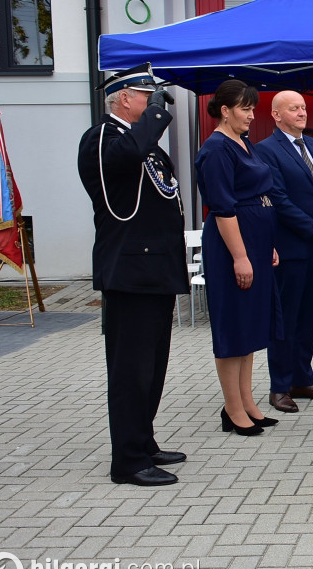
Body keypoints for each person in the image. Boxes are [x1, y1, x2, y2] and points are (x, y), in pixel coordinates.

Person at [77, 63, 189, 486]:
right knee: (131, 370)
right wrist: (158, 118)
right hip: (129, 270)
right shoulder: (102, 137)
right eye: (148, 96)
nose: (155, 103)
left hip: (154, 269)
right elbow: (124, 161)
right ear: (124, 98)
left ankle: (143, 440)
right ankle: (127, 460)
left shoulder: (140, 141)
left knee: (153, 365)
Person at [195, 80, 282, 436]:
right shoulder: (215, 149)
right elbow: (223, 208)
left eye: (251, 107)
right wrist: (241, 256)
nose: (250, 114)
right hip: (233, 245)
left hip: (255, 242)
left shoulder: (242, 141)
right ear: (225, 110)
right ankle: (232, 409)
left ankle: (247, 401)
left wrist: (266, 245)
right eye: (244, 108)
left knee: (249, 326)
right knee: (233, 326)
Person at [253, 91, 313, 412]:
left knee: (308, 318)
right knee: (285, 320)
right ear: (277, 115)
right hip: (290, 249)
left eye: (303, 107)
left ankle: (302, 379)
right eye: (294, 108)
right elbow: (277, 198)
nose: (302, 113)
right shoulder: (266, 150)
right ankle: (279, 387)